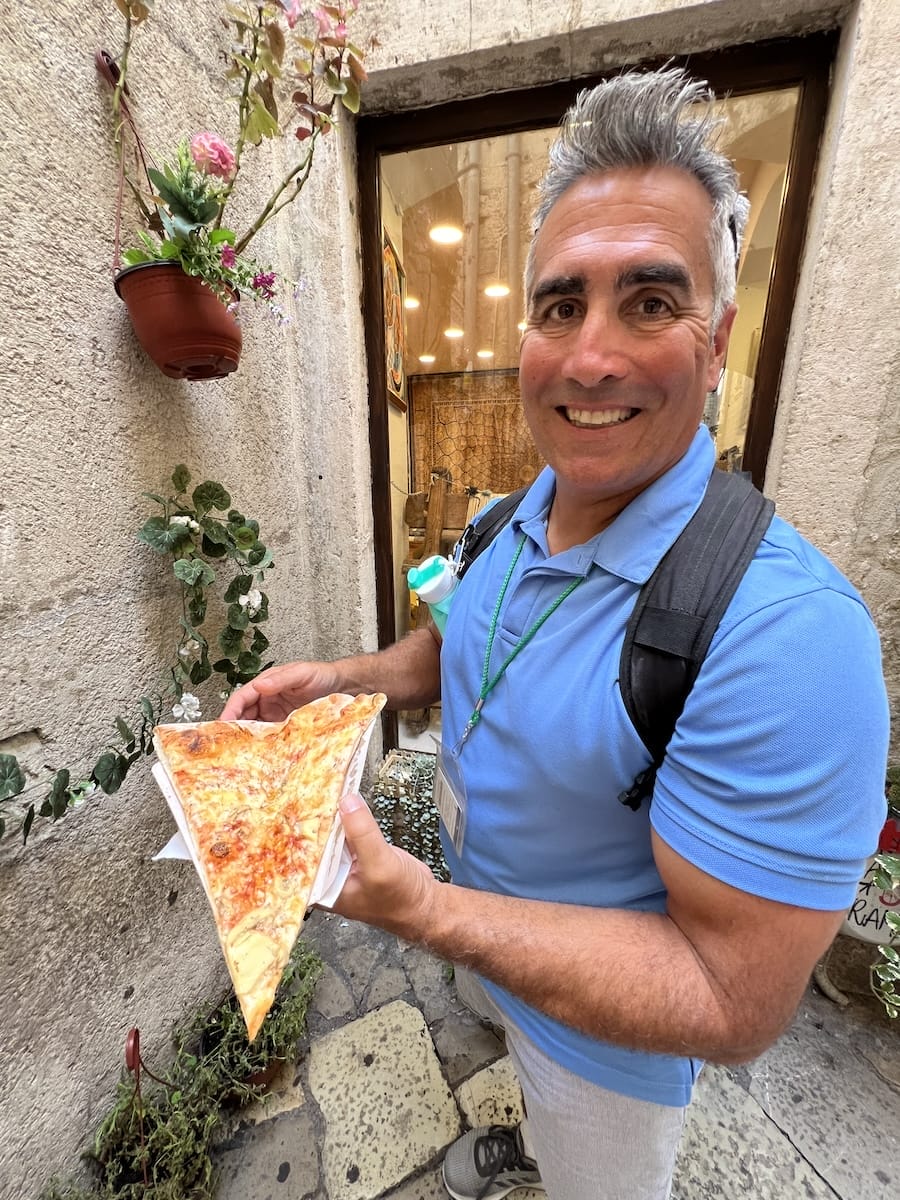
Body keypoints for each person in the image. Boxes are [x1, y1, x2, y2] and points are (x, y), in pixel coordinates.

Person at [222, 68, 890, 1200]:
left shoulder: (789, 640)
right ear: (525, 325)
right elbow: (450, 652)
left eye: (650, 301)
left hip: (604, 1049)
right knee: (508, 1057)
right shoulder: (500, 516)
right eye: (562, 304)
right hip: (490, 942)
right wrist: (338, 679)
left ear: (717, 337)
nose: (591, 357)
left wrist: (428, 913)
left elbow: (730, 1000)